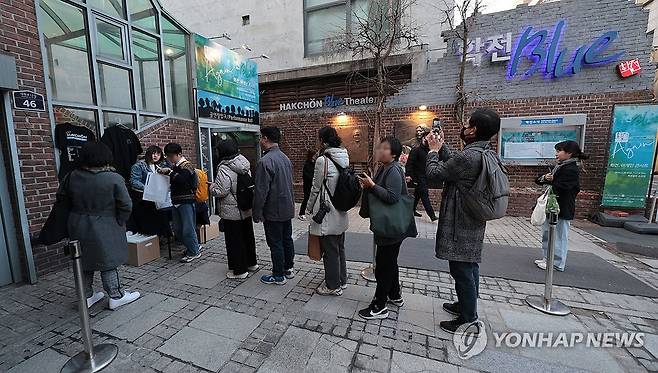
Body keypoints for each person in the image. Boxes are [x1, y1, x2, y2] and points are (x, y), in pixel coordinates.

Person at [425, 108, 501, 334]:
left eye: (467, 124)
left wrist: (433, 151)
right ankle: (466, 304)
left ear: (474, 130)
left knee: (462, 270)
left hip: (461, 221)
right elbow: (455, 165)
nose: (464, 127)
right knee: (469, 266)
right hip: (472, 218)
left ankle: (468, 318)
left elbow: (435, 174)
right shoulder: (484, 152)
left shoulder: (469, 156)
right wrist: (443, 146)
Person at [62, 142, 140, 310]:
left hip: (77, 223)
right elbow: (126, 205)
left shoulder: (71, 176)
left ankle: (86, 297)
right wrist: (121, 220)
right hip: (106, 223)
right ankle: (116, 295)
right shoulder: (113, 178)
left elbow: (62, 199)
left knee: (82, 261)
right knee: (108, 260)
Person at [357, 136, 416, 320]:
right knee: (390, 262)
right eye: (380, 147)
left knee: (384, 266)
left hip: (392, 227)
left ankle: (379, 305)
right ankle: (395, 295)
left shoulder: (394, 170)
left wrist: (372, 185)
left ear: (394, 154)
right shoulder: (386, 168)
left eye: (385, 148)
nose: (380, 150)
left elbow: (392, 197)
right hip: (389, 227)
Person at [307, 127, 350, 296]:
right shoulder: (344, 155)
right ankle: (342, 279)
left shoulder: (322, 161)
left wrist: (308, 208)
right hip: (341, 209)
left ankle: (332, 286)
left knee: (330, 251)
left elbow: (315, 187)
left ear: (323, 141)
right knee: (339, 247)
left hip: (327, 212)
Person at [209, 138, 259, 279]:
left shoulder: (224, 167)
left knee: (234, 241)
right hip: (246, 207)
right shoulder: (244, 163)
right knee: (248, 237)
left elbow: (221, 191)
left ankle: (239, 270)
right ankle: (251, 263)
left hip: (232, 211)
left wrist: (212, 186)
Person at [534, 140, 587, 272]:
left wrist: (551, 181)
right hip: (552, 206)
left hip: (562, 207)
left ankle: (557, 263)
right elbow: (539, 181)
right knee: (547, 233)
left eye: (559, 151)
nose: (556, 154)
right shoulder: (561, 166)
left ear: (569, 153)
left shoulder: (571, 169)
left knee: (558, 235)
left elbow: (563, 187)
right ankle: (547, 258)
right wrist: (545, 178)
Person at [253, 127, 296, 285]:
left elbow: (261, 191)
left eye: (260, 138)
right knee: (286, 239)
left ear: (265, 138)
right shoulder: (285, 158)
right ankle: (288, 268)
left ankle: (278, 275)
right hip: (287, 207)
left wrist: (257, 213)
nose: (259, 141)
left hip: (273, 210)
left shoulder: (265, 161)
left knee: (275, 242)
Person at [159, 143, 201, 263]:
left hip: (186, 201)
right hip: (176, 201)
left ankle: (194, 252)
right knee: (177, 229)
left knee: (188, 229)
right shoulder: (176, 166)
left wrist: (170, 172)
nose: (169, 159)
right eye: (168, 156)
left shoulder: (186, 166)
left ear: (179, 154)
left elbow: (183, 180)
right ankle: (192, 247)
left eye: (171, 156)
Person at [128, 145, 170, 236]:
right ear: (148, 154)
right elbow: (134, 181)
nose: (155, 156)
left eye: (158, 154)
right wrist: (148, 188)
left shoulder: (159, 166)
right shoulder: (139, 165)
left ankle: (160, 237)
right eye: (153, 153)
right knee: (147, 221)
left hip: (156, 198)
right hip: (143, 199)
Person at [405, 126, 438, 221]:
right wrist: (408, 175)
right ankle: (432, 215)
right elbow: (409, 164)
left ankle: (412, 210)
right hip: (418, 178)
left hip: (426, 177)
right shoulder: (416, 150)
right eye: (429, 138)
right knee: (424, 195)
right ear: (424, 139)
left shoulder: (430, 151)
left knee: (417, 194)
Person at [298, 149, 316, 221]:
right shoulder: (307, 164)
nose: (316, 156)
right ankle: (301, 213)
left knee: (313, 198)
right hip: (307, 185)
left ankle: (311, 211)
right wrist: (312, 179)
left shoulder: (314, 163)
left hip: (313, 184)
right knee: (306, 198)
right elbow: (306, 175)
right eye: (314, 155)